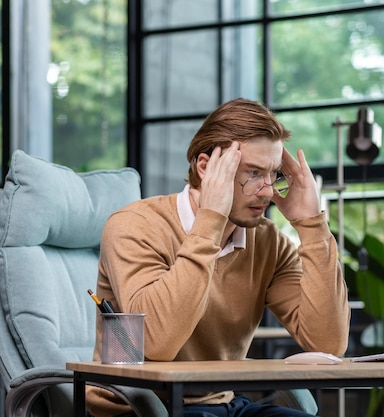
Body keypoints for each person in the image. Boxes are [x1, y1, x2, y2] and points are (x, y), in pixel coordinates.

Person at [87, 98, 351, 417]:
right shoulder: (135, 226)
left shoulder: (268, 243)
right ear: (205, 167)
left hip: (221, 404)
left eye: (273, 174)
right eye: (253, 173)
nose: (268, 191)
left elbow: (328, 345)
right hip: (138, 408)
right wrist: (211, 220)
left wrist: (311, 225)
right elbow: (157, 342)